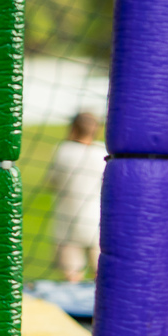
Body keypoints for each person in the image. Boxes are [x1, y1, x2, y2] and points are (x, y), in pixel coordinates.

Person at [46, 112, 105, 282]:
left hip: (68, 222)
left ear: (73, 128)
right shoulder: (101, 151)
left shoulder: (62, 150)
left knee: (72, 278)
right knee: (101, 276)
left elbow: (52, 182)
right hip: (96, 221)